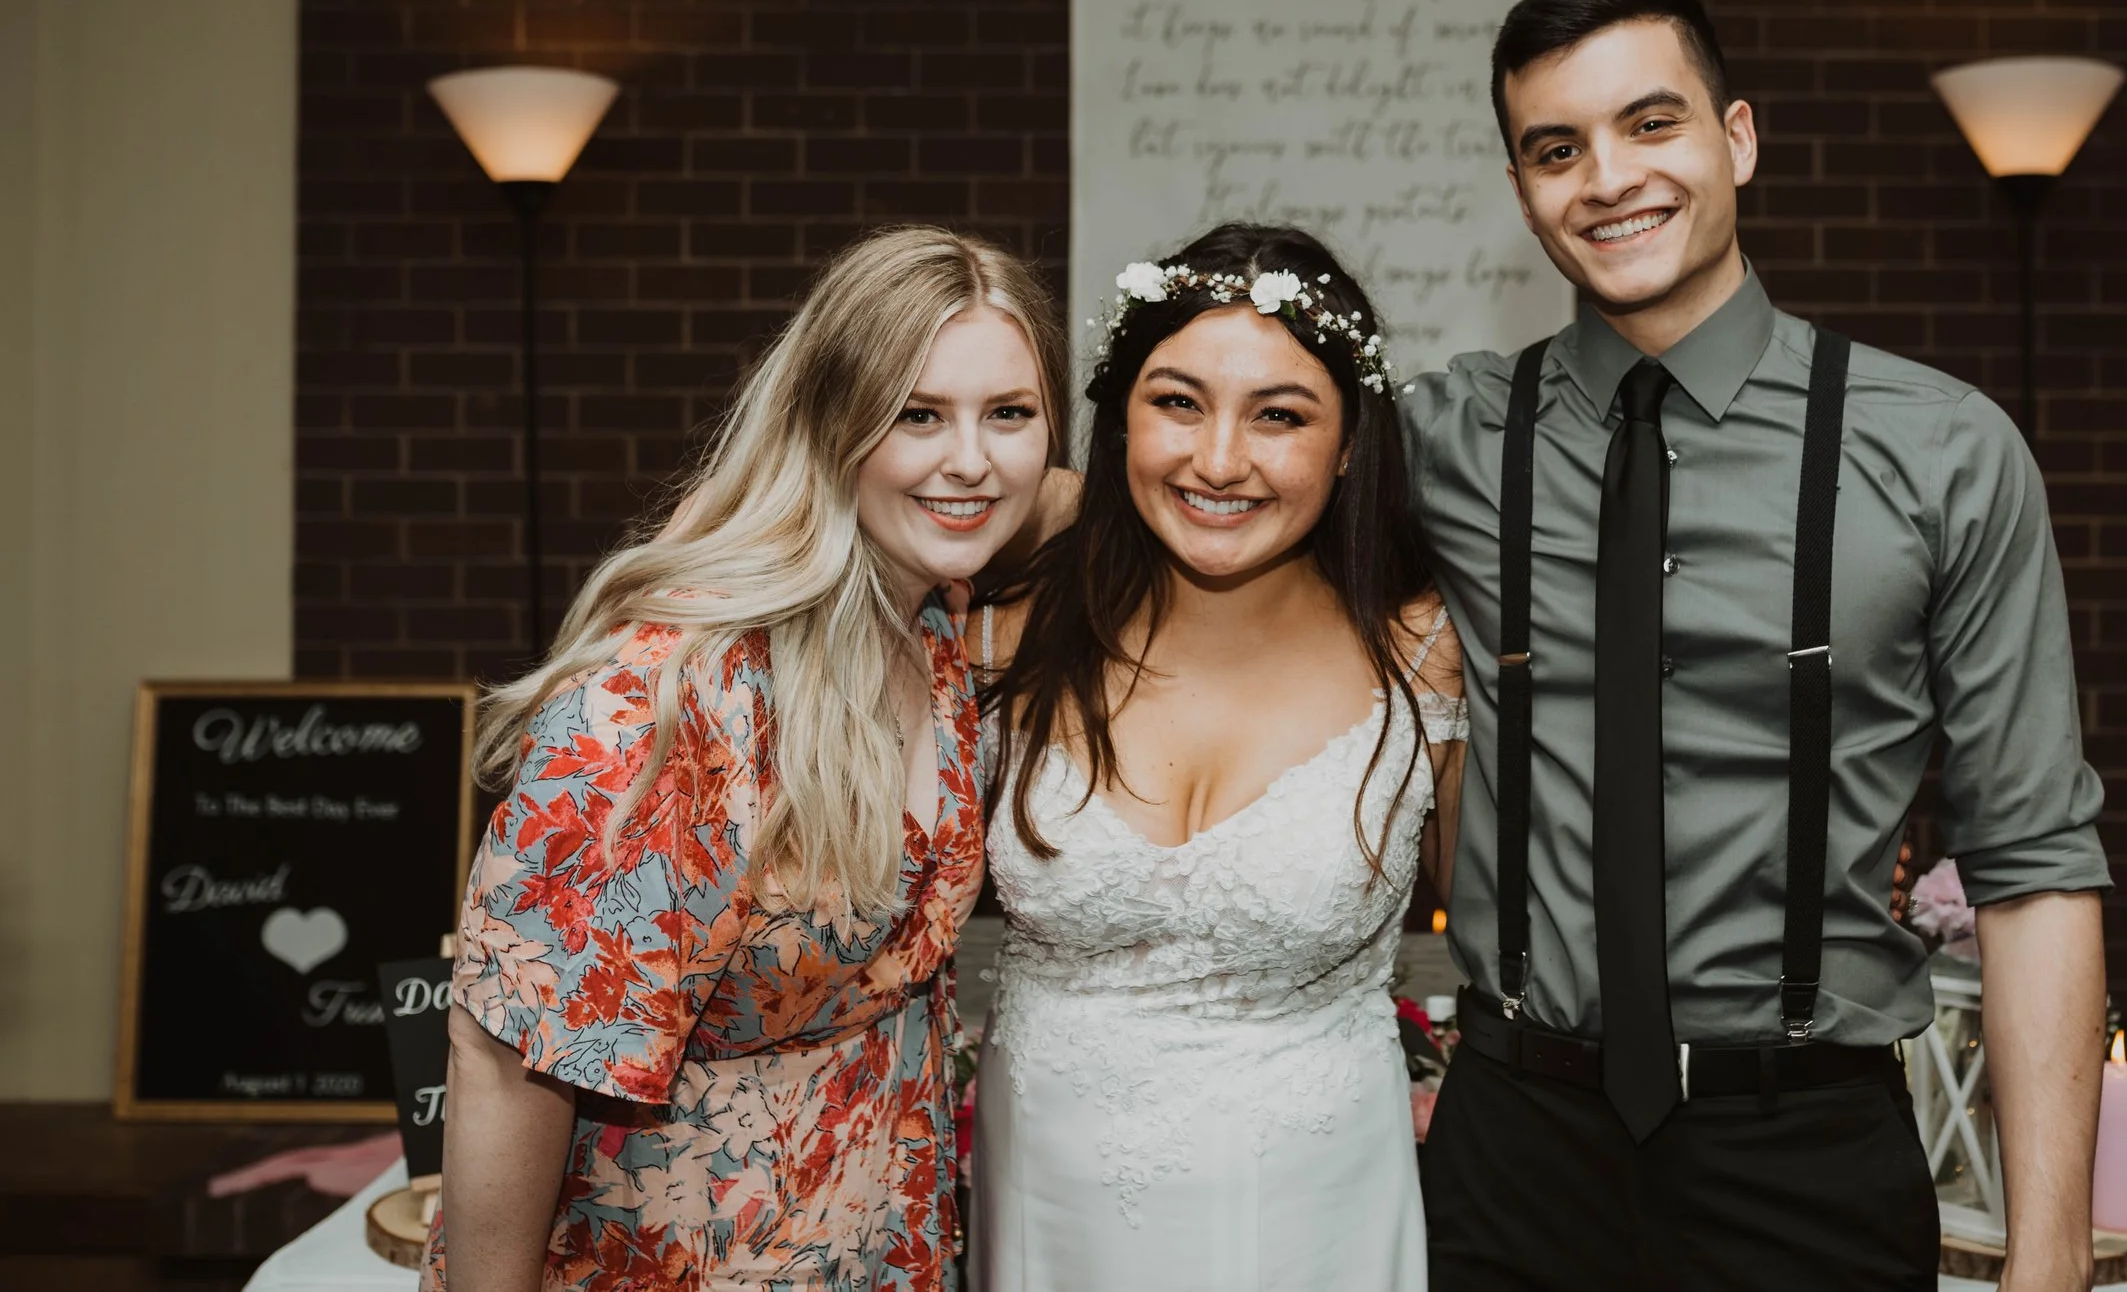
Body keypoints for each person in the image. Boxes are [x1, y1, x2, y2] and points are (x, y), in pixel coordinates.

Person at [1408, 0, 2111, 1292]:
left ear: (1737, 137)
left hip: (1807, 1154)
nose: (1606, 176)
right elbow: (1174, 494)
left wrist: (2049, 1254)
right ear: (1522, 191)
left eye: (1650, 123)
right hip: (1513, 1146)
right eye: (1556, 149)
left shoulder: (1944, 451)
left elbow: (2034, 866)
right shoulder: (1446, 438)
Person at [427, 226, 1064, 1292]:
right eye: (917, 413)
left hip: (884, 1249)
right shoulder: (678, 695)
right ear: (832, 423)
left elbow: (1068, 496)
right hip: (674, 1261)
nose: (971, 459)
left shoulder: (934, 617)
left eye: (1009, 413)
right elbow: (505, 1059)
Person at [970, 223, 1469, 1292]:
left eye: (1278, 414)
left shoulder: (1421, 650)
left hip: (1320, 1214)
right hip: (1051, 1214)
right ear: (1118, 418)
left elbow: (1513, 924)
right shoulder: (1007, 614)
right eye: (1177, 401)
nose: (1217, 459)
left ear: (1348, 444)